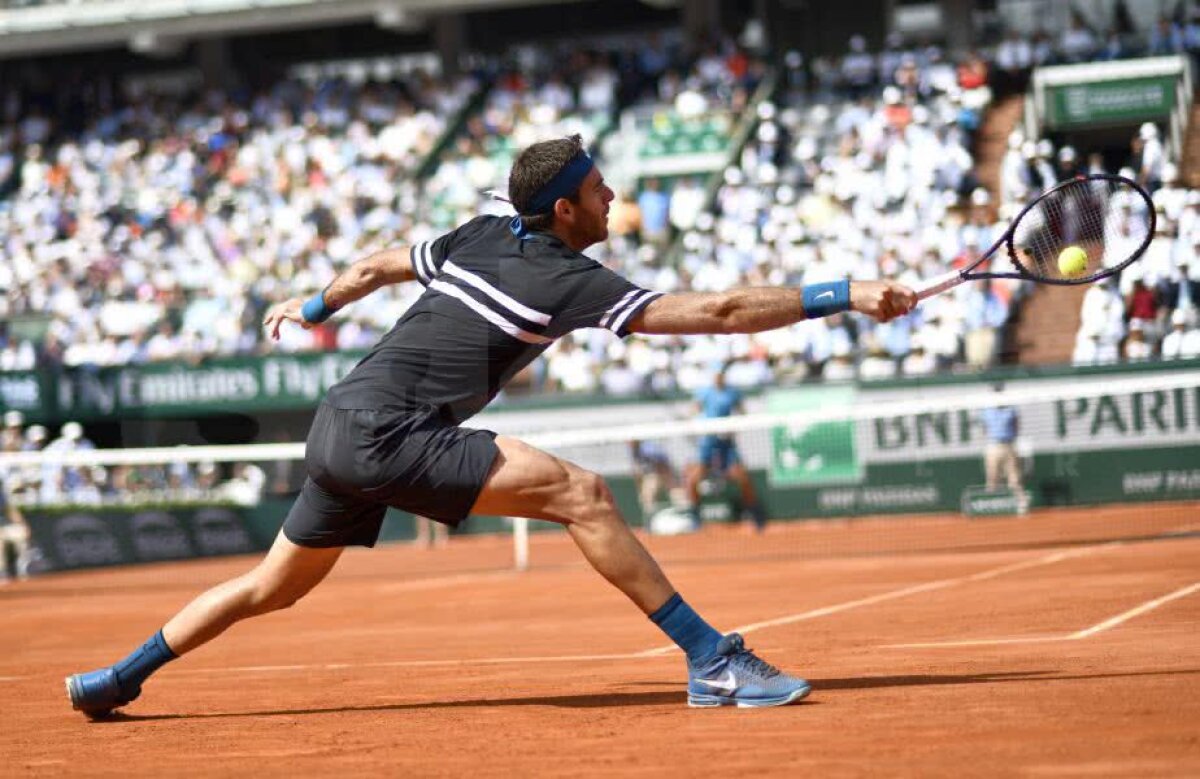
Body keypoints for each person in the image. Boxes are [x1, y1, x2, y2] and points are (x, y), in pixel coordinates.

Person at [66, 135, 915, 716]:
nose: (611, 194)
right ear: (564, 212)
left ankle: (116, 678)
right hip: (389, 432)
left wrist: (316, 303)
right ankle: (715, 661)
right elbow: (722, 309)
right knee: (583, 494)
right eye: (596, 188)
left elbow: (376, 264)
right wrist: (838, 294)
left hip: (337, 421)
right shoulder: (569, 280)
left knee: (270, 586)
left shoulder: (477, 235)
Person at [684, 365, 767, 532]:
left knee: (742, 477)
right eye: (715, 375)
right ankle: (695, 516)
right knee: (694, 478)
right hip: (707, 441)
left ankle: (754, 513)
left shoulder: (732, 392)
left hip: (727, 443)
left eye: (720, 375)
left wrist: (734, 426)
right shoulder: (704, 392)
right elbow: (693, 410)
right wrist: (698, 422)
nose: (718, 378)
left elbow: (742, 412)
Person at [979, 384, 1027, 514]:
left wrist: (1013, 441)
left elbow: (1017, 426)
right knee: (992, 477)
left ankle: (1022, 505)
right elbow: (984, 429)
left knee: (1014, 478)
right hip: (993, 446)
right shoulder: (986, 410)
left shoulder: (1012, 409)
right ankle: (988, 507)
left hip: (1009, 445)